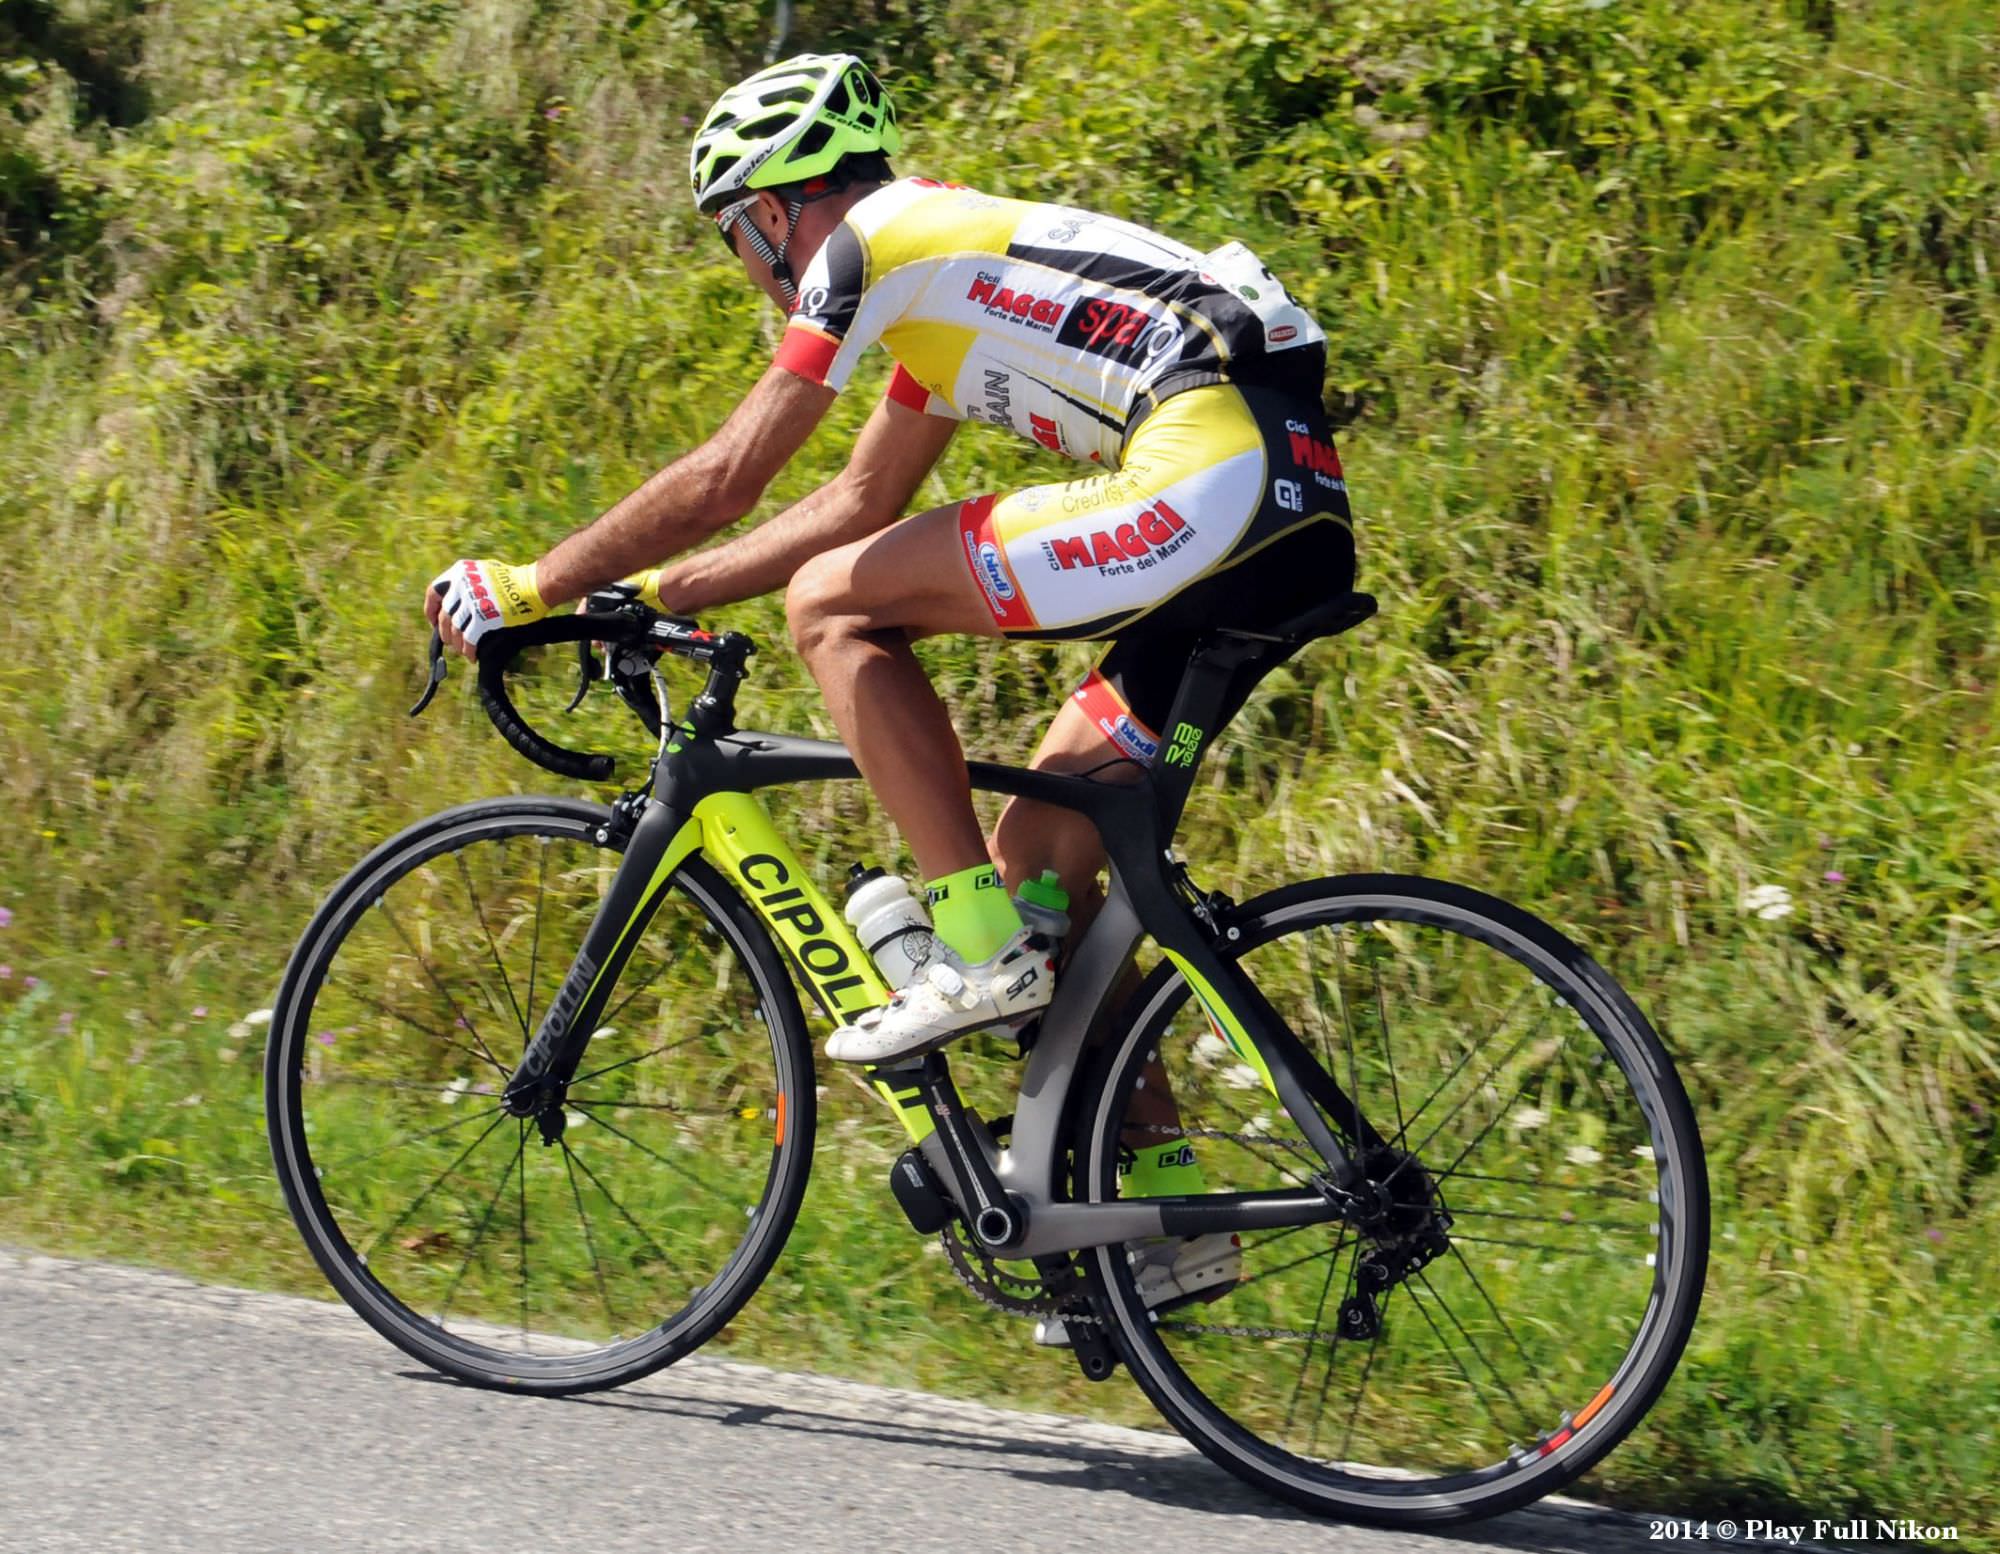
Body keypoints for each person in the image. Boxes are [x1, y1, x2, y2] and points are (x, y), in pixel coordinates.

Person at [424, 53, 1353, 1081]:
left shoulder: (869, 245)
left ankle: (972, 943)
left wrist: (532, 586)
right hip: (1290, 503)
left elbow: (731, 477)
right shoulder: (947, 286)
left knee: (827, 605)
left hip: (1203, 476)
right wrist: (643, 596)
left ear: (771, 214)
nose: (741, 261)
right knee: (1044, 864)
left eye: (732, 233)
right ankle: (1159, 1222)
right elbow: (855, 502)